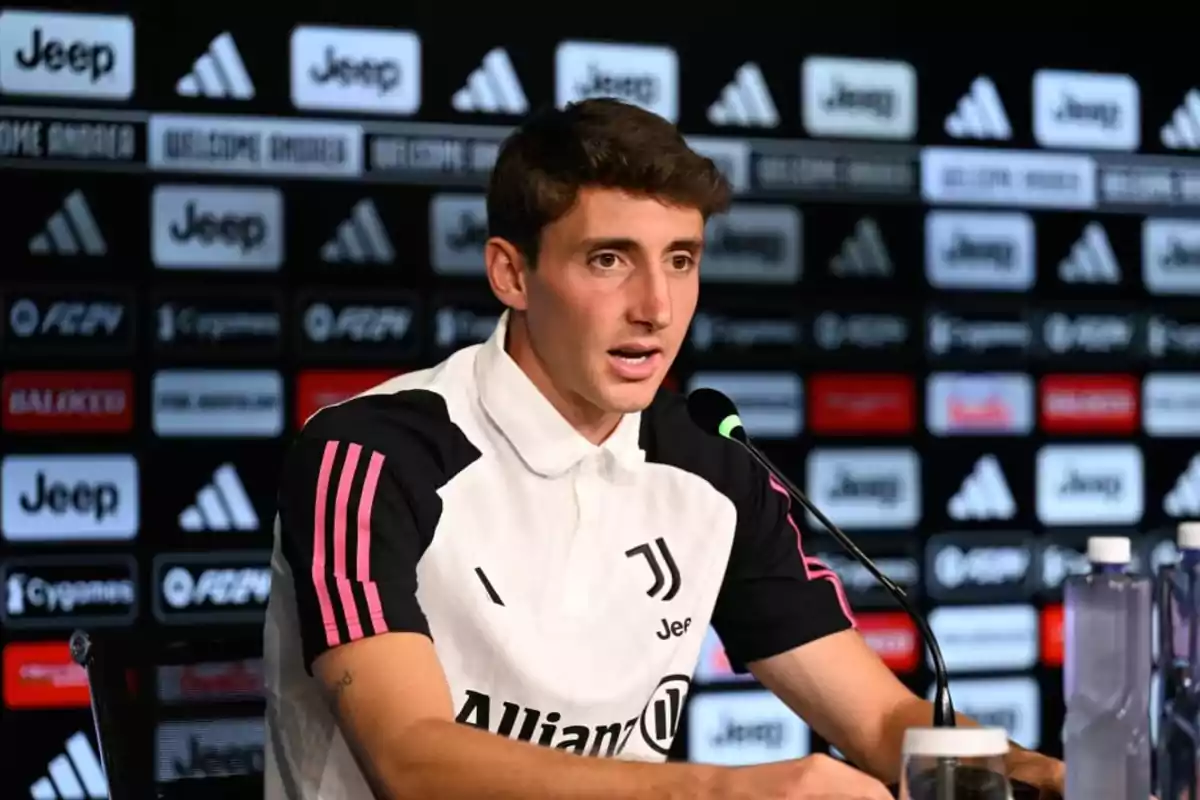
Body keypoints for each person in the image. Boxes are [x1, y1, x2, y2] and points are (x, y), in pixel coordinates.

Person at [262, 97, 1065, 799]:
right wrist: (717, 789)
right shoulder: (369, 454)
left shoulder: (713, 462)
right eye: (609, 260)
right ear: (511, 274)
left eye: (680, 260)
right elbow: (413, 761)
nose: (656, 307)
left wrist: (1042, 775)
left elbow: (879, 716)